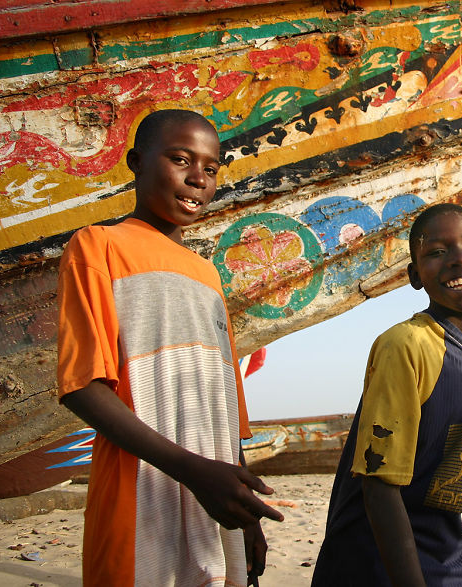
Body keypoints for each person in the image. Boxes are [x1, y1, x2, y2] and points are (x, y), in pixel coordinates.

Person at [57, 109, 282, 586]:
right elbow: (83, 386)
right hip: (141, 496)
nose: (198, 178)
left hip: (214, 502)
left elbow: (224, 409)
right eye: (181, 159)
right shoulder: (98, 247)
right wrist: (192, 472)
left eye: (211, 168)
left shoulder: (207, 275)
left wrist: (246, 513)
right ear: (137, 162)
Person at [312, 203, 462, 586]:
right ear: (415, 276)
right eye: (437, 252)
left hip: (449, 551)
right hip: (378, 557)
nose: (460, 258)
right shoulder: (405, 344)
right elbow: (379, 485)